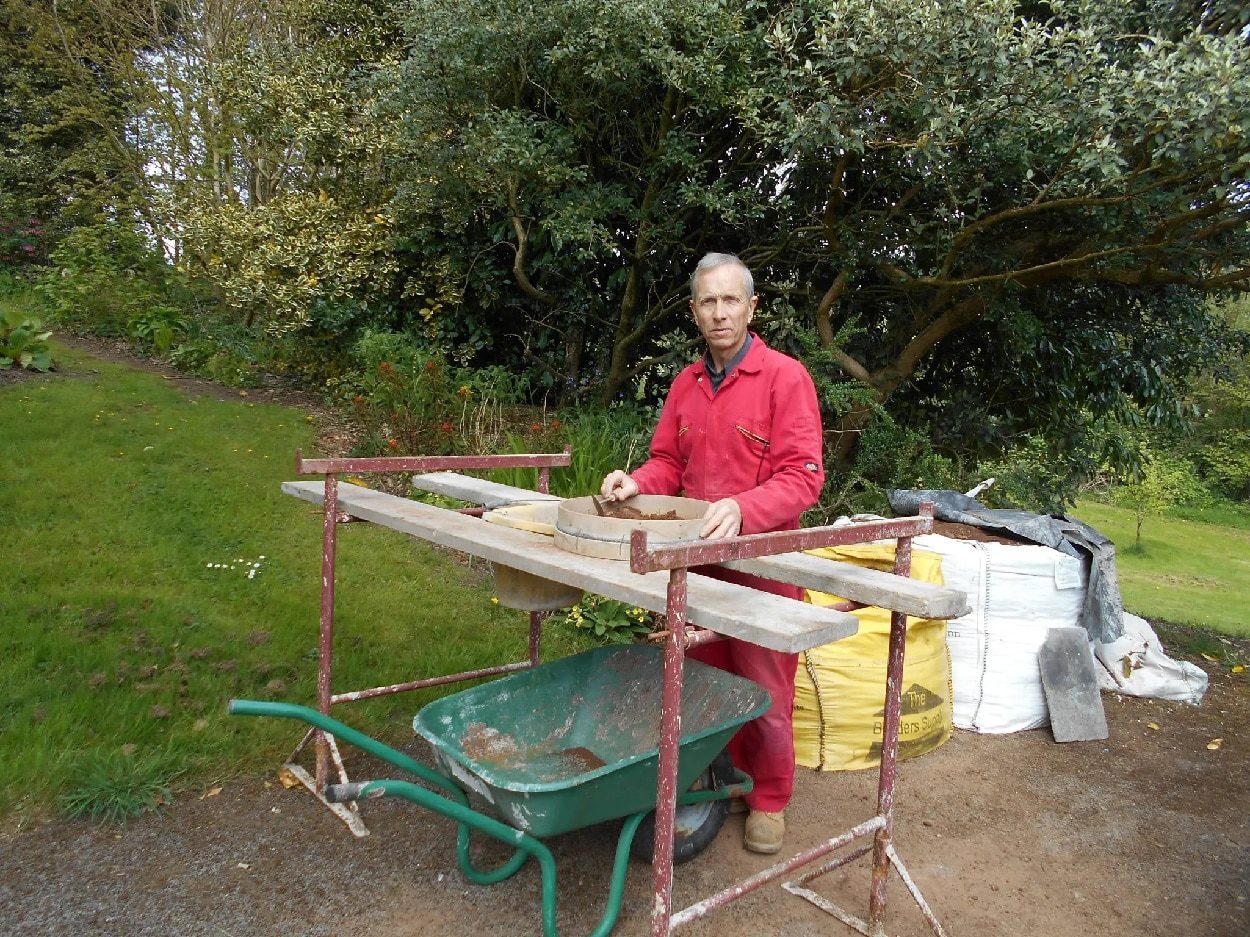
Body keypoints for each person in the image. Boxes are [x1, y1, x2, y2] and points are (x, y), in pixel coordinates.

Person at [600, 252, 824, 854]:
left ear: (752, 308)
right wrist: (637, 483)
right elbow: (669, 462)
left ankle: (770, 800)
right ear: (695, 312)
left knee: (766, 693)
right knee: (703, 684)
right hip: (697, 566)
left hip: (763, 567)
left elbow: (804, 475)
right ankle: (720, 781)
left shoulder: (785, 378)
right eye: (709, 301)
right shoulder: (687, 384)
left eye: (731, 300)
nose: (720, 312)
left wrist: (746, 509)